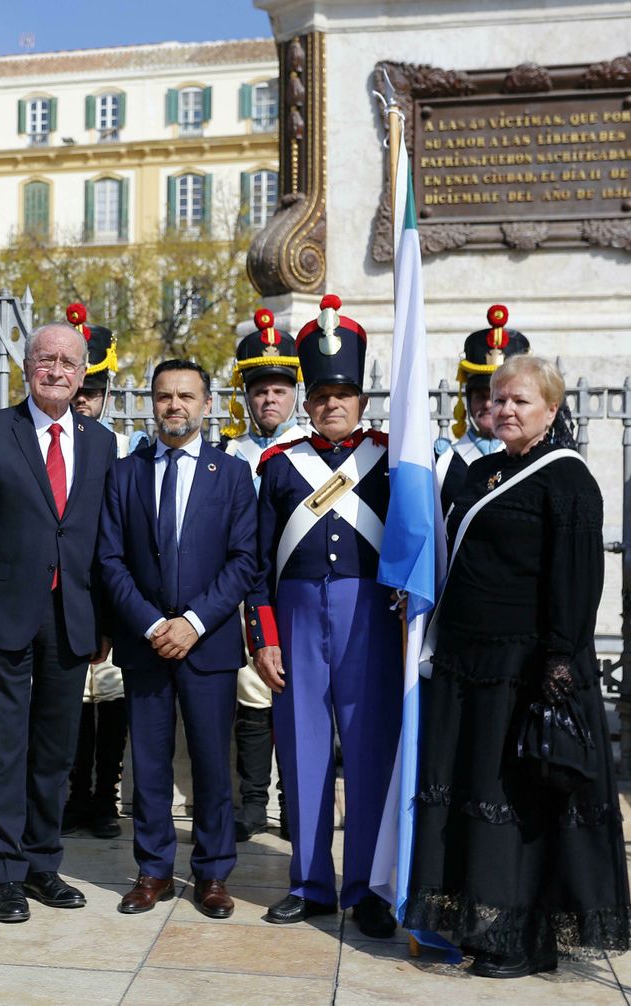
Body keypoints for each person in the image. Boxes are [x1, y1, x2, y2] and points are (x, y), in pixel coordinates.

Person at [407, 354, 631, 977]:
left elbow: (577, 582)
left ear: (551, 412)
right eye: (498, 398)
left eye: (520, 402)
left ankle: (527, 939)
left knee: (522, 804)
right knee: (477, 798)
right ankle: (484, 925)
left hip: (529, 670)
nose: (504, 409)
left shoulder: (568, 481)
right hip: (467, 667)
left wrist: (558, 667)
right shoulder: (479, 471)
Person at [0, 320, 115, 924]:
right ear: (27, 366)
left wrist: (104, 624)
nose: (58, 370)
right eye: (47, 359)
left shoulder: (100, 443)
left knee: (55, 752)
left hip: (71, 620)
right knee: (2, 751)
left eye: (69, 361)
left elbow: (101, 541)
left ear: (83, 370)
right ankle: (7, 874)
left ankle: (44, 865)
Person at [246, 294, 399, 937]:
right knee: (303, 753)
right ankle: (310, 883)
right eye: (321, 394)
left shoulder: (391, 459)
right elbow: (257, 562)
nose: (331, 404)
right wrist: (265, 638)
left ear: (361, 399)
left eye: (343, 393)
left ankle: (367, 887)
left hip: (371, 619)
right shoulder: (281, 467)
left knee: (369, 753)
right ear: (307, 403)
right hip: (299, 618)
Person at [97, 358, 258, 919]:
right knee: (151, 763)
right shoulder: (127, 473)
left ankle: (213, 874)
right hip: (145, 643)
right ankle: (153, 869)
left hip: (207, 644)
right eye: (164, 396)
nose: (175, 406)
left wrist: (193, 621)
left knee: (214, 763)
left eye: (186, 396)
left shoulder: (232, 475)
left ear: (207, 404)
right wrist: (149, 623)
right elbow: (110, 559)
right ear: (152, 403)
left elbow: (244, 561)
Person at [219, 307, 301, 842]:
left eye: (278, 389)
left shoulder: (315, 450)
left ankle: (296, 801)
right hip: (243, 589)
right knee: (252, 692)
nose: (269, 399)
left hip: (295, 585)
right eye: (259, 390)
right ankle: (252, 800)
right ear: (244, 396)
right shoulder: (229, 452)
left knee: (299, 694)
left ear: (296, 392)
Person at [60, 302, 141, 840]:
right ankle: (74, 795)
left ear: (107, 392)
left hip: (109, 594)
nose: (84, 399)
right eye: (78, 388)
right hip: (63, 593)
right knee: (69, 701)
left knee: (110, 697)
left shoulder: (124, 448)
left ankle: (106, 796)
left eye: (93, 390)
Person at [436, 305, 531, 515]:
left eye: (496, 398)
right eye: (480, 396)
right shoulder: (443, 461)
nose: (488, 405)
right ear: (467, 401)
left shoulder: (533, 457)